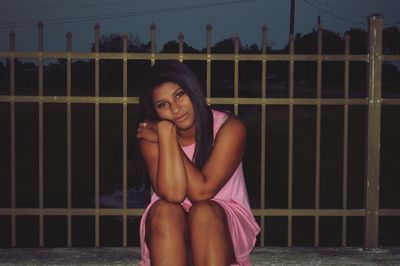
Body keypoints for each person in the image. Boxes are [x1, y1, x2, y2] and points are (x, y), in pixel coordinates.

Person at [136, 61, 260, 266]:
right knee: (165, 211)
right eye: (162, 104)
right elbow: (173, 194)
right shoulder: (151, 134)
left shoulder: (229, 127)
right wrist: (166, 135)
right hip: (170, 226)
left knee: (203, 212)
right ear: (155, 111)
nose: (175, 109)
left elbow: (202, 192)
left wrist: (167, 140)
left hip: (221, 220)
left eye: (179, 95)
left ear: (193, 90)